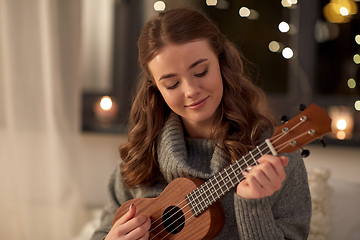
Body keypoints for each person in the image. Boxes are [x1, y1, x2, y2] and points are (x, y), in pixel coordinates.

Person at [91, 7, 311, 240]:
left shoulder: (275, 155)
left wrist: (254, 207)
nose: (191, 91)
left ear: (221, 63)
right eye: (172, 84)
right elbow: (103, 231)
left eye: (201, 71)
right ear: (157, 90)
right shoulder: (139, 158)